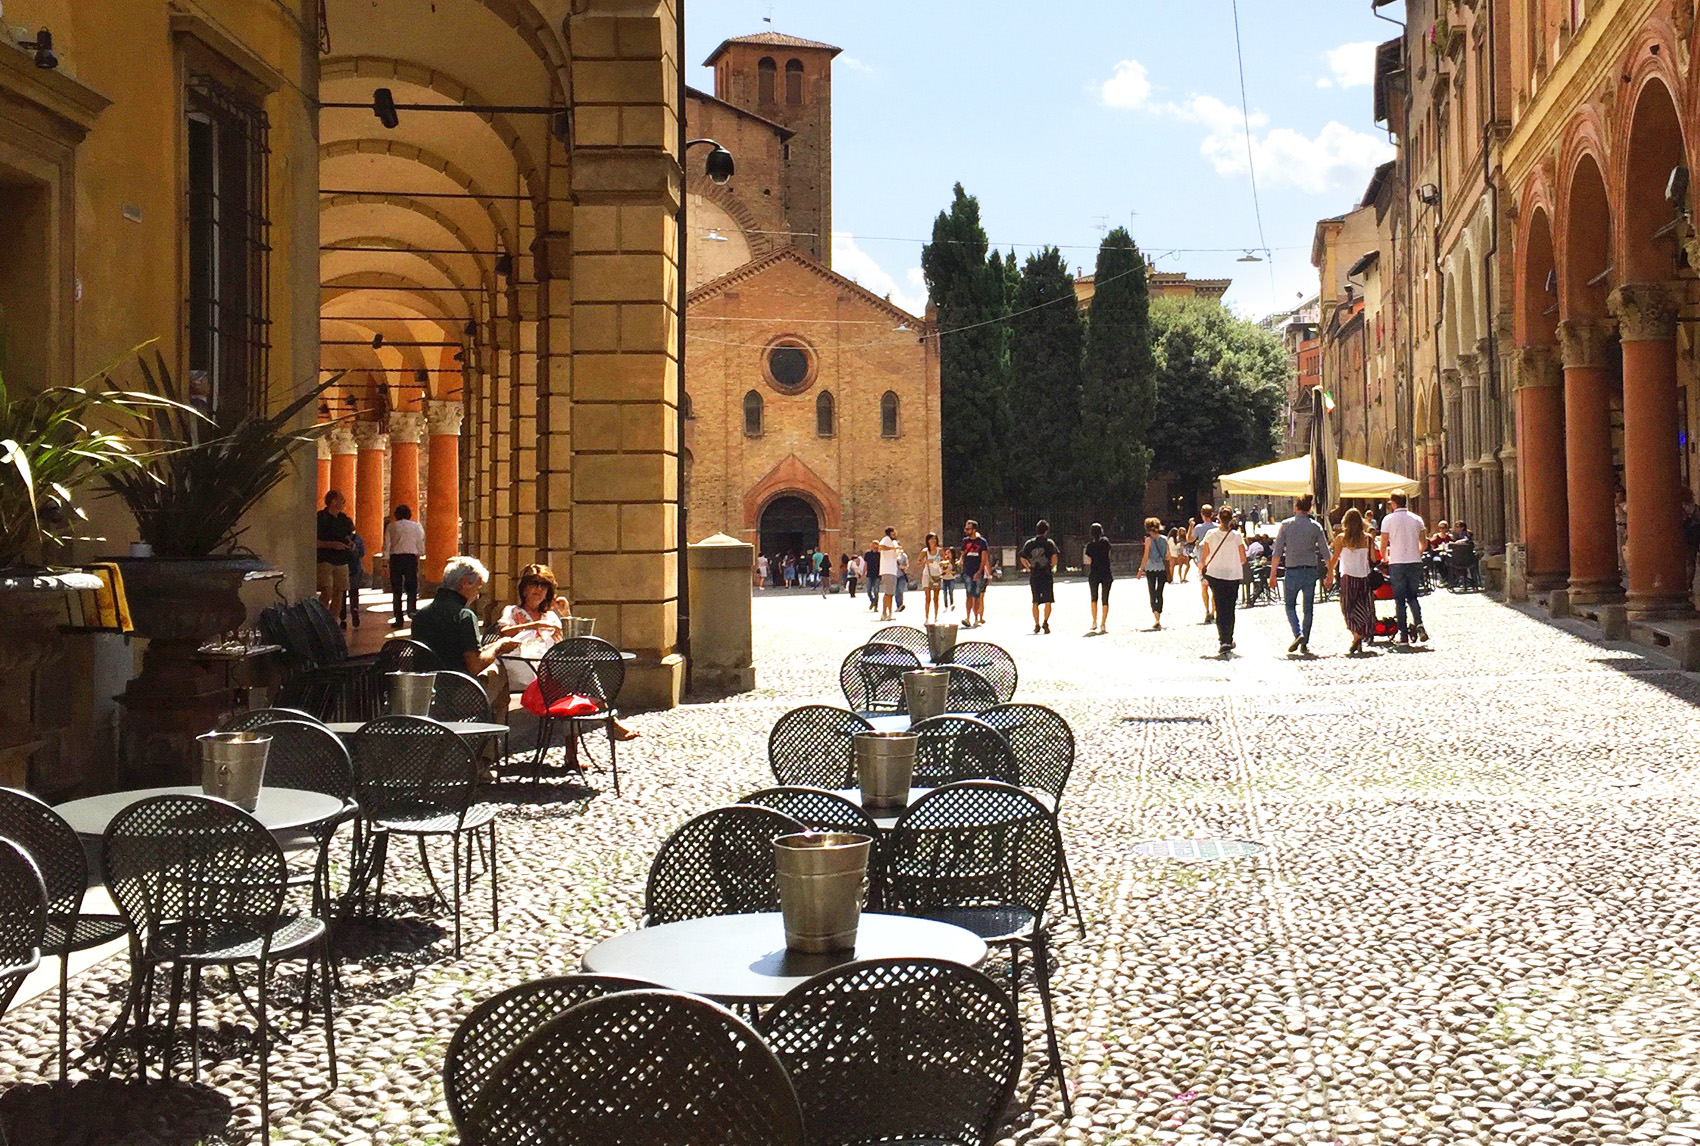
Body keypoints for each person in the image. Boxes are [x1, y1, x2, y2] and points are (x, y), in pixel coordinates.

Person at [412, 555, 523, 710]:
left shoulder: (421, 615)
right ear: (465, 583)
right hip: (457, 690)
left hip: (425, 688)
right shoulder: (464, 615)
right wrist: (498, 646)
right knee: (500, 672)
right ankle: (492, 726)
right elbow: (475, 665)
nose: (477, 595)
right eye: (477, 588)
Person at [1270, 494, 1332, 656]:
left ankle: (1298, 633)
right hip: (1310, 570)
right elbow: (1326, 553)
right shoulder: (1315, 526)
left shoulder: (1286, 525)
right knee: (1308, 608)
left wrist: (1273, 574)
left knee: (1290, 605)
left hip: (1292, 570)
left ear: (1296, 508)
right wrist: (1330, 573)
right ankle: (1305, 643)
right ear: (1309, 508)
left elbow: (1277, 552)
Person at [497, 564, 568, 690]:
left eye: (544, 585)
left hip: (549, 665)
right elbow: (504, 633)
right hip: (521, 665)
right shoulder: (513, 611)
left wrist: (565, 613)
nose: (539, 589)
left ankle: (599, 705)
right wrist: (534, 625)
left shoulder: (550, 616)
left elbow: (565, 643)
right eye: (534, 583)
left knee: (584, 667)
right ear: (524, 589)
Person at [1380, 491, 1429, 645]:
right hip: (1414, 561)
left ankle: (1403, 636)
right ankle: (1419, 623)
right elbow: (1424, 542)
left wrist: (1385, 558)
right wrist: (1418, 553)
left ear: (1394, 503)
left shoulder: (1388, 520)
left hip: (1397, 562)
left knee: (1399, 599)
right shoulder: (1417, 519)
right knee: (1412, 596)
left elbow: (1383, 543)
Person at [1197, 507, 1246, 656]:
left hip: (1215, 574)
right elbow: (1243, 558)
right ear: (1231, 518)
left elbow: (1204, 556)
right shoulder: (1237, 536)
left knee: (1219, 605)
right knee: (1230, 608)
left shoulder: (1210, 534)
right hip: (1232, 575)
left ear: (1218, 517)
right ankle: (1228, 638)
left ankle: (1223, 640)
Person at [1332, 508, 1377, 655]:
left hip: (1347, 576)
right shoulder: (1368, 538)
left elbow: (1334, 559)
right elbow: (1374, 559)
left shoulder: (1341, 538)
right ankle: (1360, 633)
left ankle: (1356, 634)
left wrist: (1329, 574)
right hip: (1363, 575)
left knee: (1347, 606)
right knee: (1364, 605)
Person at [316, 491, 355, 624]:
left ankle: (333, 623)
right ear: (333, 501)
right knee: (326, 590)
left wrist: (349, 543)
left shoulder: (343, 519)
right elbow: (314, 542)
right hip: (325, 560)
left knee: (339, 592)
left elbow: (346, 536)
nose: (344, 504)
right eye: (342, 500)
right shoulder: (320, 518)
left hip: (342, 560)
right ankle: (319, 620)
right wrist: (332, 545)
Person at [384, 504, 426, 625]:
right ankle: (411, 611)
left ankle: (398, 618)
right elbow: (420, 541)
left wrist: (385, 562)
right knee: (412, 587)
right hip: (410, 558)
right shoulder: (416, 526)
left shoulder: (391, 527)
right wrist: (420, 552)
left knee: (396, 589)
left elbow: (387, 544)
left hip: (395, 559)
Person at [1019, 520, 1060, 634]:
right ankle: (1045, 622)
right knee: (1048, 600)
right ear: (1046, 531)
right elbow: (1054, 559)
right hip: (1046, 574)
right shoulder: (1049, 543)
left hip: (1034, 574)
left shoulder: (1029, 543)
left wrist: (1028, 567)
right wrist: (1051, 567)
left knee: (1035, 601)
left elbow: (1022, 557)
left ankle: (1036, 624)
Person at [1140, 519, 1170, 631]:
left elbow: (1146, 556)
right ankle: (1159, 614)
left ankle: (1156, 617)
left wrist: (1140, 570)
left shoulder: (1148, 540)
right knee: (1160, 592)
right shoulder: (1164, 539)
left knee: (1152, 592)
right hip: (1162, 568)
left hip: (1151, 568)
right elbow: (1167, 555)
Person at [1086, 522, 1115, 633]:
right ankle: (1103, 623)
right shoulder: (1105, 542)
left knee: (1094, 598)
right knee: (1105, 598)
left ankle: (1094, 621)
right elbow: (1109, 554)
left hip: (1094, 573)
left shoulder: (1089, 545)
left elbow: (1088, 561)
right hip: (1106, 572)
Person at [960, 520, 991, 628]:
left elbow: (984, 558)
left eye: (968, 529)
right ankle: (967, 618)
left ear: (974, 529)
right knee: (968, 594)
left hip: (977, 571)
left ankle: (976, 619)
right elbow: (963, 554)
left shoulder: (982, 542)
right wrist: (961, 563)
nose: (966, 530)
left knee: (977, 595)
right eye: (965, 528)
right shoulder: (965, 541)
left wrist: (979, 571)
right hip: (967, 571)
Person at [1193, 505, 1216, 623]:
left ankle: (1207, 610)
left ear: (1202, 514)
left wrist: (1190, 525)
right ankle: (1213, 611)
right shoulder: (1217, 527)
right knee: (1214, 588)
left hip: (1203, 561)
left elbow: (1190, 539)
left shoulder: (1198, 527)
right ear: (1212, 514)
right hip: (1215, 560)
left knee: (1204, 587)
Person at [918, 533, 945, 623]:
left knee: (936, 597)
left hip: (937, 574)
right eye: (931, 539)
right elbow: (918, 562)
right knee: (927, 597)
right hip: (927, 574)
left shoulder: (939, 550)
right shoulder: (924, 551)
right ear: (928, 540)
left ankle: (936, 616)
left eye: (935, 539)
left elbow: (946, 560)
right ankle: (926, 617)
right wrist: (926, 561)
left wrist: (942, 563)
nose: (934, 541)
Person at [345, 527, 366, 628]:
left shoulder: (339, 539)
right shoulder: (358, 538)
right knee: (354, 592)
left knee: (341, 593)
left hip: (343, 567)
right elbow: (362, 553)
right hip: (356, 568)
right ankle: (354, 610)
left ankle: (342, 616)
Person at [878, 528, 900, 620]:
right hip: (887, 570)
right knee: (887, 593)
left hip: (892, 570)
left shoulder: (893, 542)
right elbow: (881, 546)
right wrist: (893, 548)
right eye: (893, 532)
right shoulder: (886, 539)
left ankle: (890, 613)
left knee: (891, 593)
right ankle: (884, 613)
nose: (895, 533)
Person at [863, 541, 881, 611]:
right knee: (868, 591)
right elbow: (866, 564)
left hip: (877, 574)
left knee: (876, 591)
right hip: (869, 574)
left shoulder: (880, 554)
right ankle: (873, 601)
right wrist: (864, 572)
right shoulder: (868, 554)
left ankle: (876, 606)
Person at [940, 547, 958, 611]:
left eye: (949, 553)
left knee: (951, 592)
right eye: (947, 553)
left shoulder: (954, 561)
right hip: (945, 578)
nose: (947, 554)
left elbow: (956, 570)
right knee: (944, 593)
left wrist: (951, 572)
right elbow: (941, 568)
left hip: (951, 578)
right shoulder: (944, 561)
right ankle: (946, 606)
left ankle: (952, 604)